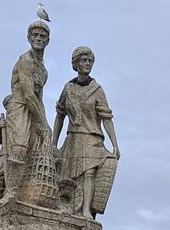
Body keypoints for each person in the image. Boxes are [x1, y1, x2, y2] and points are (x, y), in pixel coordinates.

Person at [51, 46, 119, 218]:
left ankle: (86, 211)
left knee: (89, 173)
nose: (87, 63)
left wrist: (115, 145)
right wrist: (53, 143)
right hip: (73, 139)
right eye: (84, 60)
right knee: (66, 176)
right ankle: (69, 209)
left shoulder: (97, 90)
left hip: (92, 138)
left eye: (90, 60)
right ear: (76, 63)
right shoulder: (68, 89)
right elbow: (60, 115)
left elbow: (106, 118)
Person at [0, 20, 52, 206]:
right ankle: (11, 194)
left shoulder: (42, 69)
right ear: (29, 38)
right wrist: (42, 122)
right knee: (19, 149)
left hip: (33, 110)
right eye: (35, 35)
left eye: (42, 36)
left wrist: (45, 123)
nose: (39, 38)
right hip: (20, 108)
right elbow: (29, 96)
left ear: (47, 40)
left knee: (32, 151)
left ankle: (22, 194)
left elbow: (39, 99)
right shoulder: (25, 61)